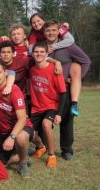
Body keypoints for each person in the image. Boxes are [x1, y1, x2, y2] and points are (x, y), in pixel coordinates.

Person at [43, 20, 91, 160]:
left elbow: (86, 61)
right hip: (48, 90)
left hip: (65, 89)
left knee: (66, 120)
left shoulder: (69, 46)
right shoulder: (43, 47)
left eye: (53, 30)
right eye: (47, 31)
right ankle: (45, 146)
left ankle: (67, 150)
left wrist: (77, 77)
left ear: (58, 31)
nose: (51, 33)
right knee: (46, 118)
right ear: (44, 33)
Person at [0, 60, 34, 177]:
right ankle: (20, 154)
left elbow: (22, 119)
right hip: (3, 132)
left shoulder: (14, 90)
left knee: (20, 138)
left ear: (6, 72)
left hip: (21, 128)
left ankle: (23, 162)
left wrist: (11, 137)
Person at [28, 13, 81, 116]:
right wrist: (52, 59)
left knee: (76, 67)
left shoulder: (58, 27)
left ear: (44, 20)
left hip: (62, 69)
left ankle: (74, 103)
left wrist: (54, 46)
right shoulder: (34, 35)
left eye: (38, 21)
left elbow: (70, 40)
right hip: (46, 66)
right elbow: (31, 51)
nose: (36, 24)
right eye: (33, 22)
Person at [29, 41, 67, 168]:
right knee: (29, 132)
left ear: (47, 54)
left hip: (51, 106)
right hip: (36, 107)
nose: (39, 54)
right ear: (33, 54)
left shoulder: (55, 69)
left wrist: (59, 114)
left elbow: (63, 92)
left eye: (41, 52)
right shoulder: (32, 70)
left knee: (46, 125)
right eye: (36, 52)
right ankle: (41, 147)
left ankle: (52, 155)